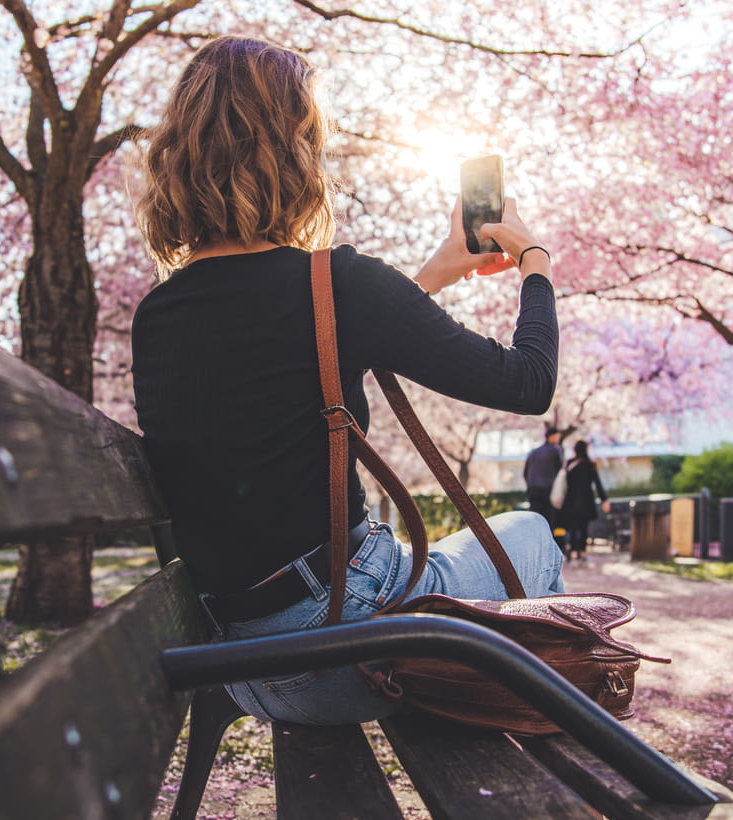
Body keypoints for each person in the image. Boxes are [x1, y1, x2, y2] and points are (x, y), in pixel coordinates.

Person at [130, 36, 564, 727]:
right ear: (295, 146)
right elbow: (528, 383)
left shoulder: (158, 313)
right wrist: (536, 262)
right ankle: (529, 768)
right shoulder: (338, 281)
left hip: (241, 668)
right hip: (343, 645)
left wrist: (432, 275)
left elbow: (293, 359)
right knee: (532, 533)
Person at [556, 440, 609, 563]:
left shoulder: (569, 463)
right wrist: (604, 500)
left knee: (573, 528)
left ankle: (573, 551)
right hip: (586, 501)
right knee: (584, 528)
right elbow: (598, 484)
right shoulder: (590, 464)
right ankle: (583, 552)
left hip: (571, 500)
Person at [523, 427, 563, 527]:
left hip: (533, 490)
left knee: (534, 519)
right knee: (548, 520)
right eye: (557, 437)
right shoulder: (555, 450)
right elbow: (559, 471)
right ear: (552, 437)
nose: (558, 440)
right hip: (548, 490)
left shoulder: (533, 452)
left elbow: (525, 473)